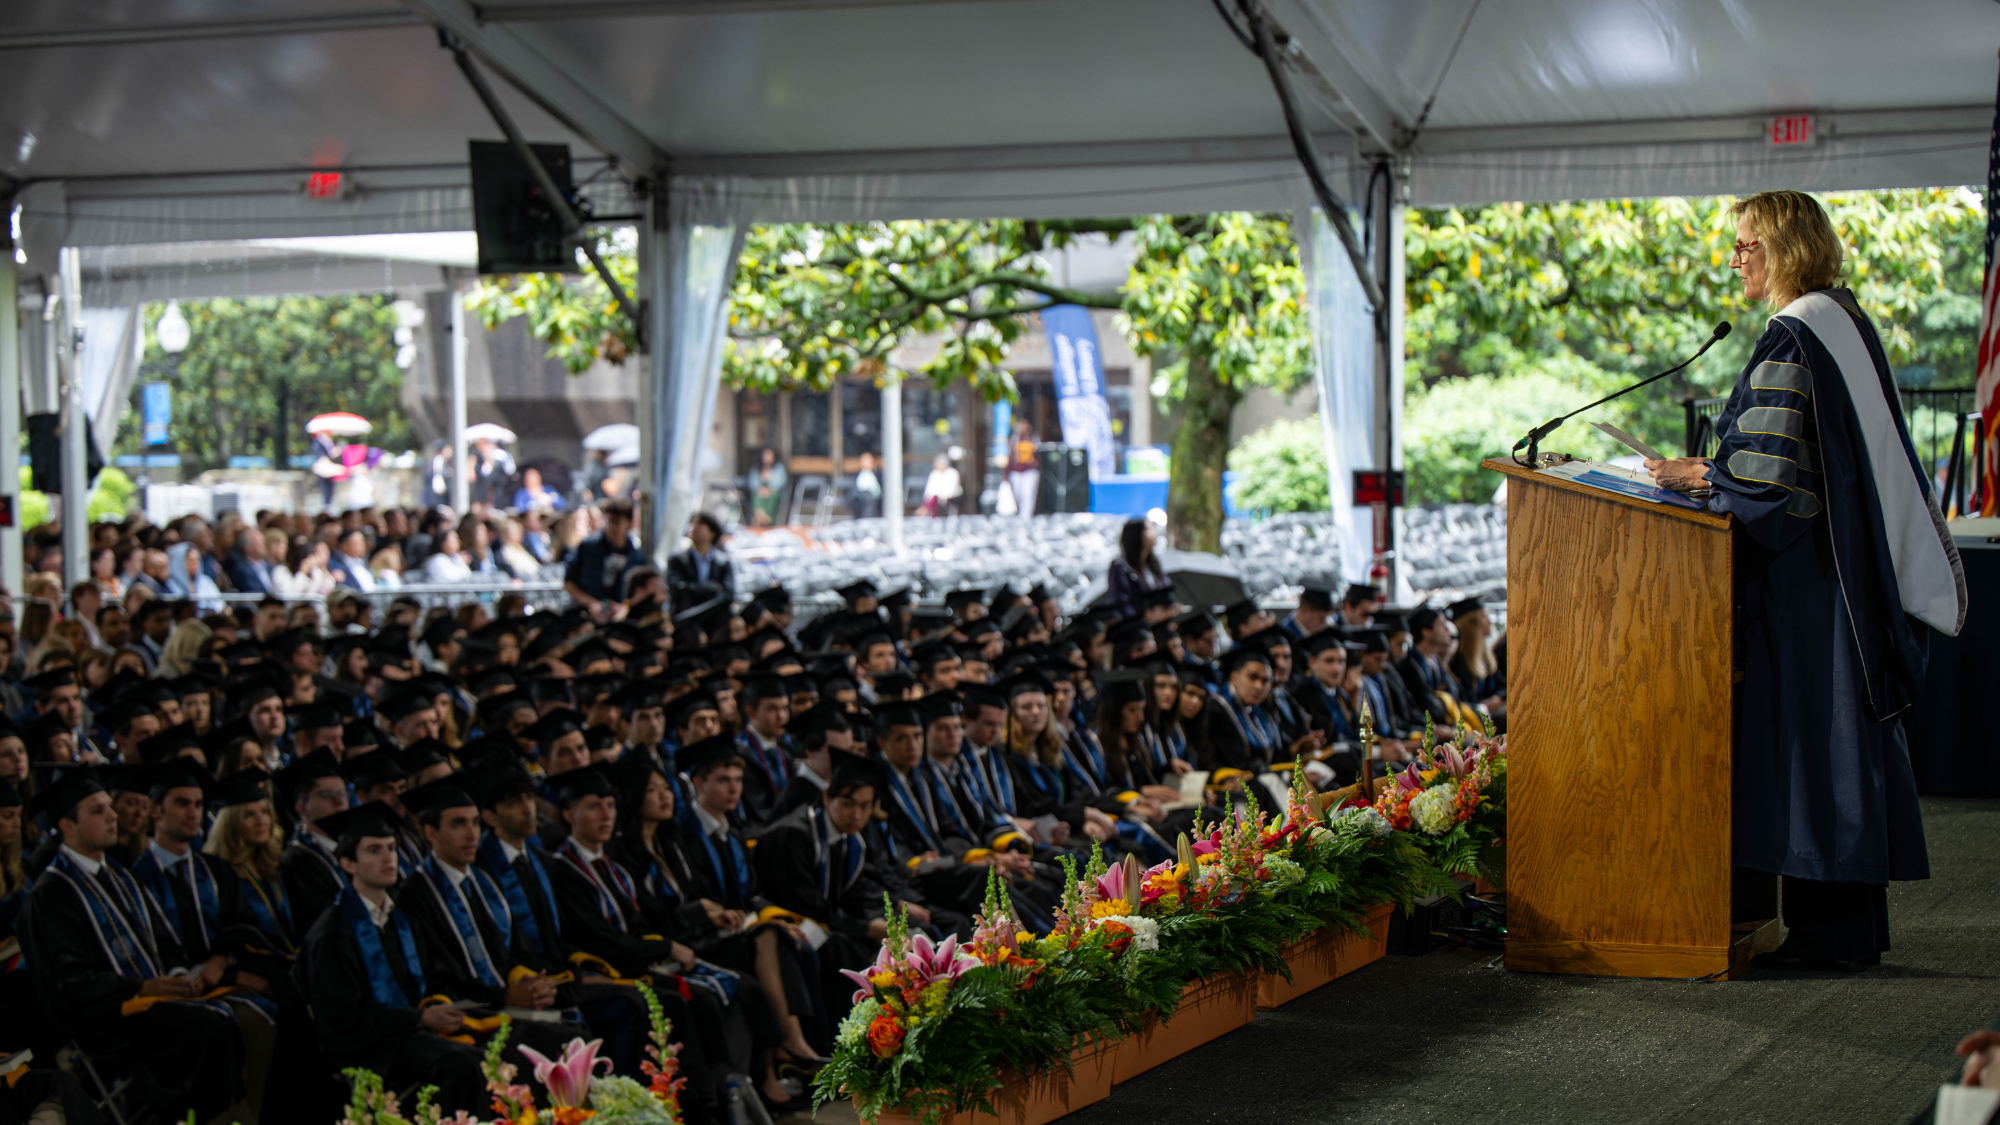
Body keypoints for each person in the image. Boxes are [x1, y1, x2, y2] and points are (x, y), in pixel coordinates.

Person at [1642, 190, 1966, 972]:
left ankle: (1829, 937)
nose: (1735, 257)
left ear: (1784, 246)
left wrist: (1700, 476)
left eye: (1747, 243)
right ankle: (1850, 928)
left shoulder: (1796, 334)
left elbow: (1773, 486)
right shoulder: (1839, 319)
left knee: (1818, 745)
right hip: (1840, 571)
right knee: (1836, 745)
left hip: (1812, 590)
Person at [564, 498, 645, 621]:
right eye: (609, 521)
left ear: (628, 524)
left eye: (617, 522)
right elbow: (569, 582)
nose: (611, 527)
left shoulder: (636, 556)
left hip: (619, 619)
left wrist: (623, 607)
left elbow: (640, 591)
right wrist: (591, 603)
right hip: (584, 614)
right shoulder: (587, 548)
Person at [667, 511, 735, 612]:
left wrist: (693, 589)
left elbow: (728, 594)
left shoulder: (723, 562)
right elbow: (677, 589)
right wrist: (712, 588)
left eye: (700, 524)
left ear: (712, 533)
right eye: (693, 523)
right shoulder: (678, 560)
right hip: (686, 616)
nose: (694, 527)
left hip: (714, 616)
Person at [1106, 517, 1171, 619]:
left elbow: (1166, 588)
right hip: (1138, 628)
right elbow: (1122, 603)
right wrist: (1144, 617)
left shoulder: (1153, 564)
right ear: (1139, 534)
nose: (1155, 532)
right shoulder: (1121, 568)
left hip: (1160, 623)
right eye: (1150, 529)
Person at [1005, 419, 1039, 517]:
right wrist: (1006, 473)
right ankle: (1020, 515)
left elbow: (1038, 455)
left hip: (1029, 471)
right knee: (1018, 495)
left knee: (1028, 495)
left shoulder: (1033, 439)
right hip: (1016, 471)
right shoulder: (1014, 439)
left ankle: (1026, 516)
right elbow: (1010, 456)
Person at [749, 447, 787, 528]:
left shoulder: (779, 468)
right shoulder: (757, 469)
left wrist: (769, 490)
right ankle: (760, 518)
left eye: (769, 455)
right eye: (765, 455)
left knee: (771, 497)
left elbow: (780, 482)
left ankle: (768, 519)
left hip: (774, 492)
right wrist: (760, 489)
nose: (767, 458)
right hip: (760, 492)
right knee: (757, 496)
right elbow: (752, 483)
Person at [919, 452, 961, 518]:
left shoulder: (952, 473)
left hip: (950, 497)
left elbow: (951, 489)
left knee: (935, 499)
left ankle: (925, 511)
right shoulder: (934, 474)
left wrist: (940, 495)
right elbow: (930, 489)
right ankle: (926, 510)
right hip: (936, 498)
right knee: (932, 499)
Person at [849, 450, 882, 519]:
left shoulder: (878, 475)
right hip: (862, 499)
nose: (865, 463)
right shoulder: (858, 476)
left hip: (877, 500)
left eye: (868, 461)